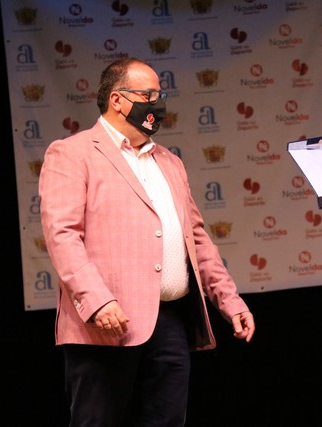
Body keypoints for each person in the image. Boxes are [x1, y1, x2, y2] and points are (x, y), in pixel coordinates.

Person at [39, 57, 256, 427]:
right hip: (106, 323)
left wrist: (229, 300)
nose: (159, 103)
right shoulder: (72, 152)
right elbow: (62, 234)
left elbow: (196, 239)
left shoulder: (169, 161)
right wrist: (97, 300)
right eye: (149, 95)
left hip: (169, 321)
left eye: (160, 95)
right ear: (117, 100)